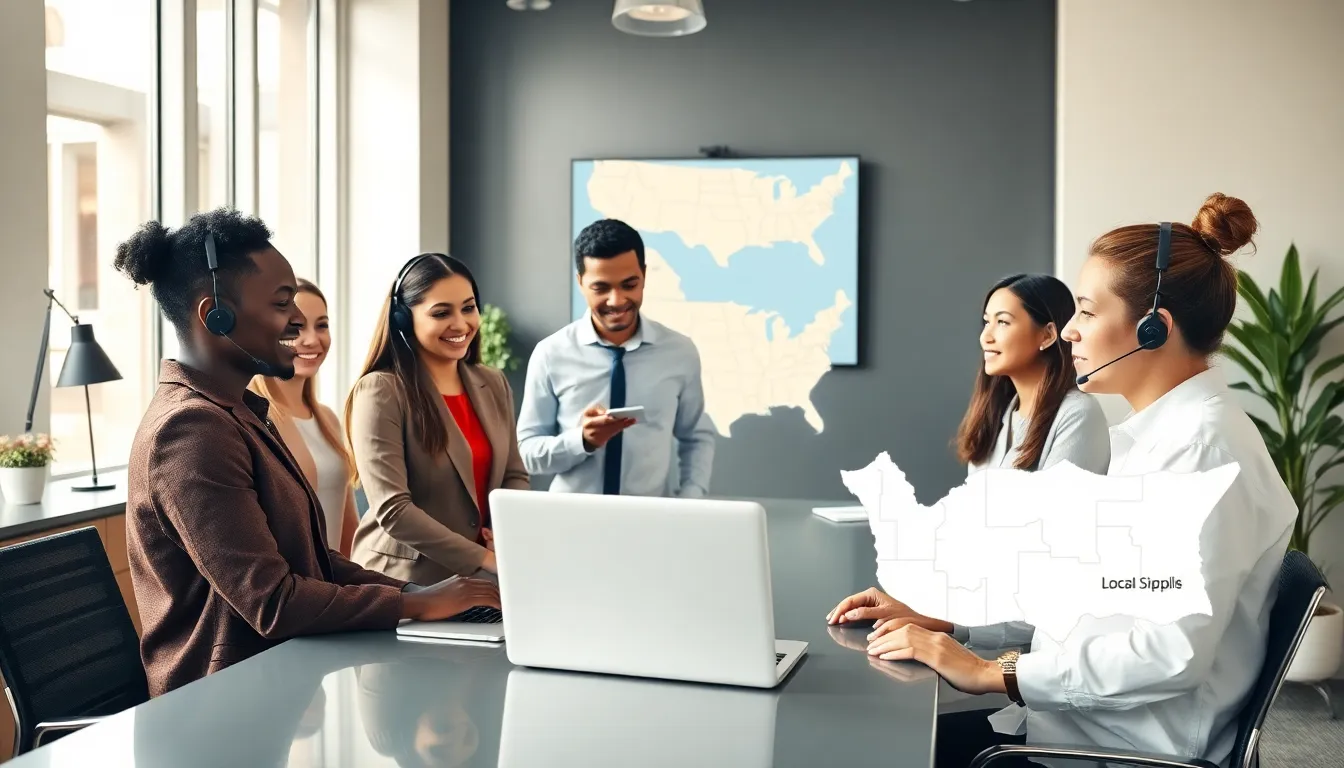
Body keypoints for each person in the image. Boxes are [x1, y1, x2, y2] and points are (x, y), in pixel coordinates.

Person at [826, 193, 1297, 768]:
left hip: (1118, 752)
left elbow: (1171, 653)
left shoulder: (1201, 451)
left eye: (1088, 312)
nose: (1069, 331)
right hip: (1079, 726)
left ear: (1154, 329)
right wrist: (953, 625)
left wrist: (989, 673)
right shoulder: (1157, 439)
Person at [114, 209, 500, 697]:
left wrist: (419, 594)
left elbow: (314, 561)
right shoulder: (191, 430)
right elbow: (272, 602)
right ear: (215, 314)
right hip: (219, 702)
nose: (298, 322)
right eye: (282, 303)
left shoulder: (238, 412)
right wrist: (415, 606)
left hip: (278, 676)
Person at [346, 253, 529, 584]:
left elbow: (514, 475)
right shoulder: (381, 391)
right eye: (441, 313)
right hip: (404, 581)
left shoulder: (493, 383)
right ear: (404, 319)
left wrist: (506, 532)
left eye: (469, 308)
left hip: (481, 579)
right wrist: (485, 559)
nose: (460, 324)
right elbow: (394, 510)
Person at [515, 218, 716, 497]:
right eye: (601, 288)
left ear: (644, 276)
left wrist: (691, 498)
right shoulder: (551, 354)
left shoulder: (680, 353)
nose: (617, 300)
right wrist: (581, 440)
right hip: (570, 524)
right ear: (580, 282)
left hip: (652, 523)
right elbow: (527, 453)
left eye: (629, 284)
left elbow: (695, 437)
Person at [957, 273, 1110, 476]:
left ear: (1047, 335)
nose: (985, 337)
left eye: (1002, 322)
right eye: (987, 322)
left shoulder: (1077, 413)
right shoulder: (996, 415)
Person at [248, 278, 359, 556]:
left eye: (321, 325)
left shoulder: (328, 419)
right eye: (296, 328)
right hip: (296, 592)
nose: (312, 339)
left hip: (337, 588)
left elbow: (349, 532)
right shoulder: (255, 420)